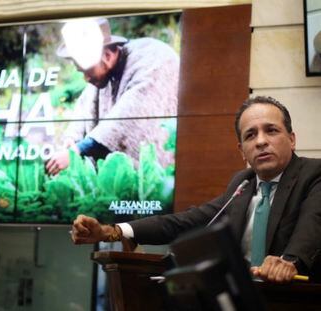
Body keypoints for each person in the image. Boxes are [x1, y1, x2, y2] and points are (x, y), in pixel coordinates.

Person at [71, 96, 321, 283]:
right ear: (241, 150)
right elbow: (185, 222)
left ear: (292, 138)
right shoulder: (242, 184)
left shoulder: (313, 175)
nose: (261, 141)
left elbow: (312, 226)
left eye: (272, 130)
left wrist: (290, 261)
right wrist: (111, 232)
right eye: (250, 135)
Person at [46, 18, 179, 175]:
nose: (86, 79)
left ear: (107, 56)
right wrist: (72, 139)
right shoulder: (103, 72)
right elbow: (84, 105)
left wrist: (77, 151)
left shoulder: (153, 60)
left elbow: (129, 117)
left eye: (87, 71)